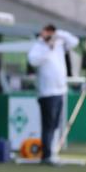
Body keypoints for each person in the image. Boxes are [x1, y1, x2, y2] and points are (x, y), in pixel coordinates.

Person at [27, 24, 79, 164]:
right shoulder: (39, 46)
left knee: (56, 124)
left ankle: (52, 152)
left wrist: (58, 34)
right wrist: (48, 47)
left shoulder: (60, 43)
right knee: (48, 125)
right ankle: (47, 154)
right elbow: (33, 60)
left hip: (60, 90)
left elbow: (74, 42)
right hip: (47, 92)